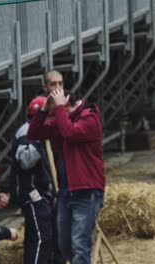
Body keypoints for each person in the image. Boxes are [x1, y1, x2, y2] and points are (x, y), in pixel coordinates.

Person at [27, 88, 105, 264]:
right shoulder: (62, 120)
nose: (54, 116)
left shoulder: (90, 117)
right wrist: (43, 110)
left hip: (86, 190)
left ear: (67, 103)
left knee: (79, 245)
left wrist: (59, 108)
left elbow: (71, 133)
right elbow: (33, 134)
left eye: (57, 111)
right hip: (66, 191)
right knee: (64, 246)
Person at [10, 96, 55, 264]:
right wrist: (40, 141)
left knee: (39, 238)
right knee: (41, 239)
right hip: (31, 192)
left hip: (42, 191)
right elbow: (24, 161)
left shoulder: (43, 132)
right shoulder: (27, 132)